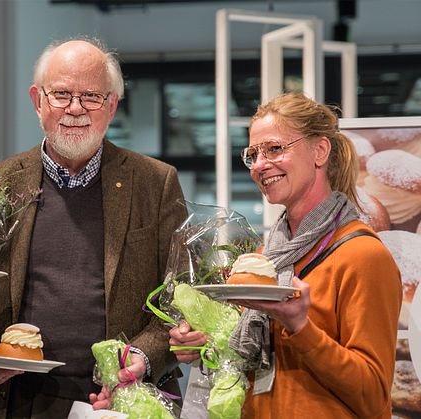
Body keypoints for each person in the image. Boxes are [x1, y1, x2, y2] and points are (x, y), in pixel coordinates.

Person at [0, 38, 188, 419]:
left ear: (111, 105)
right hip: (17, 400)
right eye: (61, 94)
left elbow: (179, 295)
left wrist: (141, 359)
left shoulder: (155, 182)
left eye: (91, 96)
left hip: (121, 403)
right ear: (37, 101)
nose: (75, 109)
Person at [170, 92, 402, 418]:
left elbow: (374, 396)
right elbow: (262, 362)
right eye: (253, 153)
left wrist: (300, 326)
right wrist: (207, 343)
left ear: (320, 151)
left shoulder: (363, 255)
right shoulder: (270, 257)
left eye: (275, 149)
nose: (261, 165)